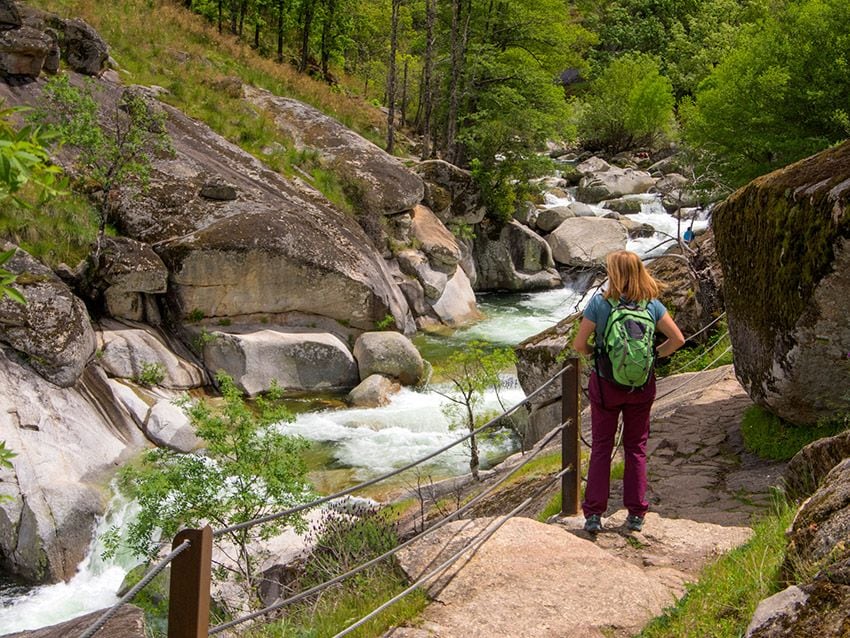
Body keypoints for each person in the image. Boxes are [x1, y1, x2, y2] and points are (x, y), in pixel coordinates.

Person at [571, 250, 685, 534]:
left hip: (606, 385)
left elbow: (579, 344)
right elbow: (678, 339)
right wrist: (652, 358)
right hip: (641, 387)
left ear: (614, 274)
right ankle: (636, 514)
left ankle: (594, 515)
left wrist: (597, 354)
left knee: (601, 447)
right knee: (635, 448)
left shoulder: (601, 303)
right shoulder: (652, 305)